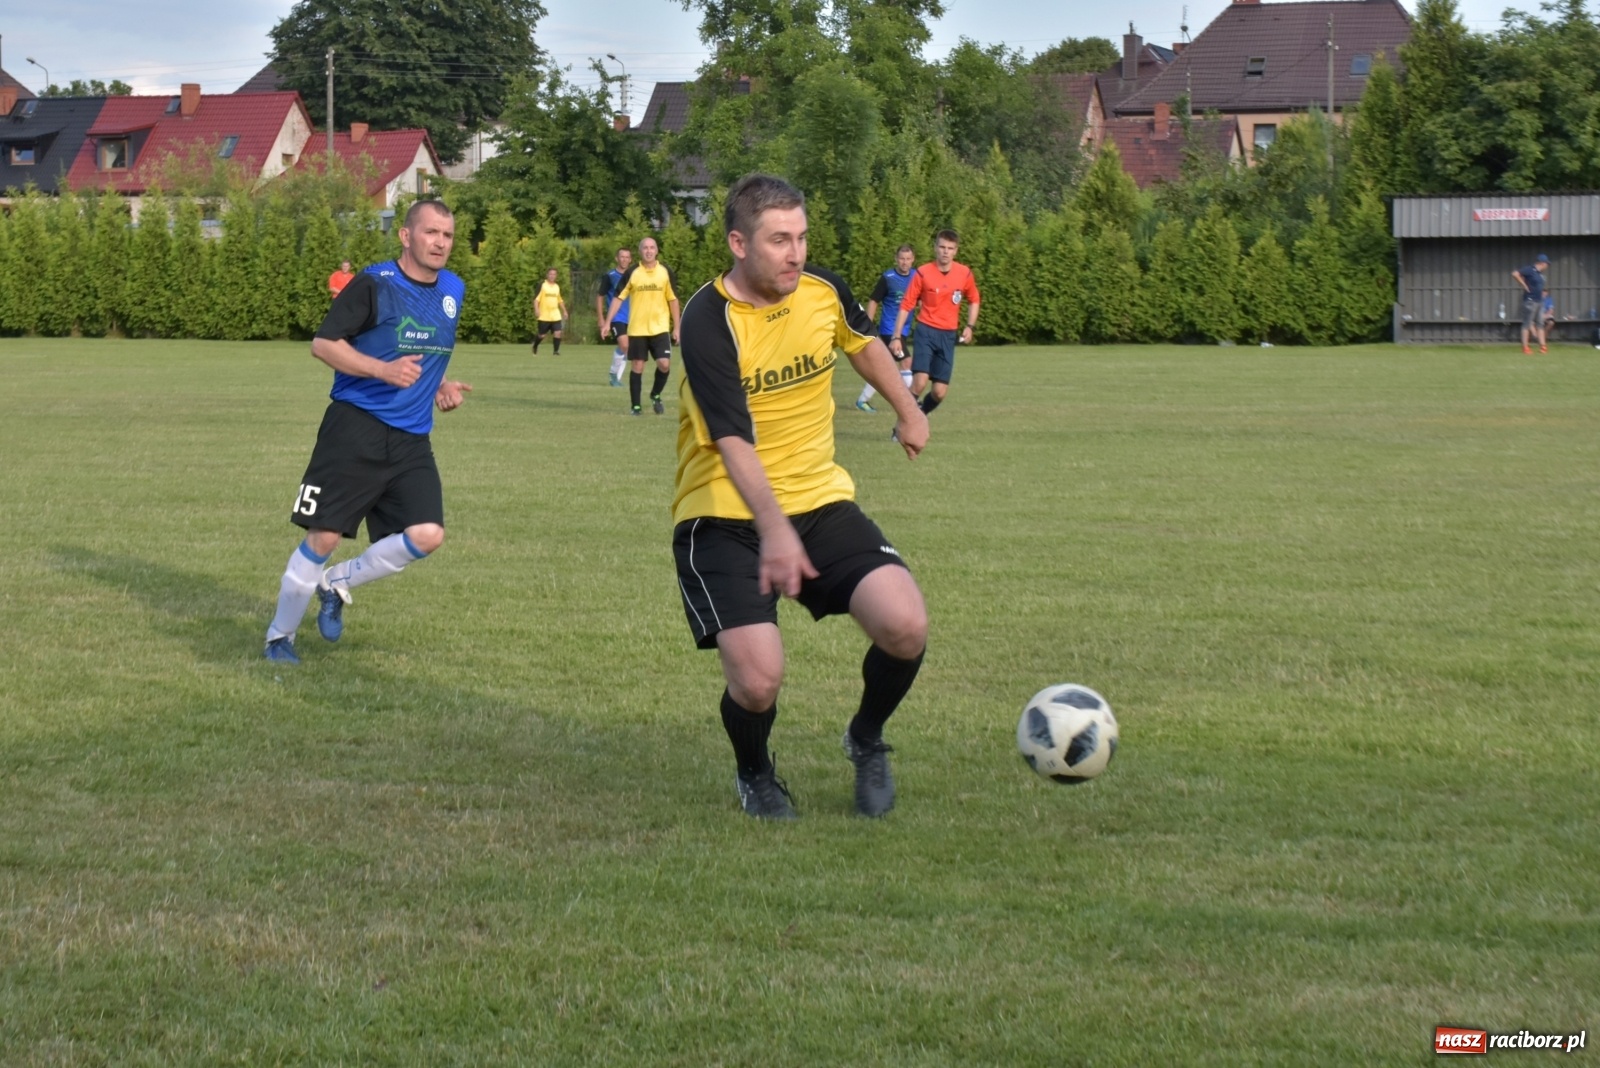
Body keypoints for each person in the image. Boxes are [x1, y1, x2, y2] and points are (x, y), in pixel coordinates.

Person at [673, 173, 931, 820]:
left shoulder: (822, 289)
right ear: (738, 242)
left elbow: (862, 343)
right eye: (779, 240)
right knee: (758, 682)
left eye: (802, 237)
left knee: (905, 625)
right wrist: (775, 530)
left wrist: (907, 407)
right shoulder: (708, 321)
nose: (796, 253)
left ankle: (866, 739)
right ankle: (755, 771)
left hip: (818, 499)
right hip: (725, 513)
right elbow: (732, 441)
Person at [263, 200, 472, 664]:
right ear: (406, 236)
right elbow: (323, 344)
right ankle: (279, 637)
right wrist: (381, 370)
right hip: (354, 429)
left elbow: (424, 351)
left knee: (427, 534)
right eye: (431, 232)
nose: (440, 242)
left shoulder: (453, 288)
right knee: (324, 538)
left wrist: (441, 385)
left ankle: (337, 583)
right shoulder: (375, 284)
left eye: (448, 235)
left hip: (412, 438)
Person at [891, 230, 981, 417]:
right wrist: (896, 336)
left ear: (956, 251)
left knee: (939, 392)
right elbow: (906, 304)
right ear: (935, 248)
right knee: (920, 382)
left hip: (948, 335)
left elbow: (974, 300)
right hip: (926, 331)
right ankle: (904, 422)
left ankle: (920, 416)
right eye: (942, 247)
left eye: (950, 248)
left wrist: (970, 326)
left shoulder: (964, 274)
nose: (945, 252)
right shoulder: (923, 273)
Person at [601, 236, 680, 415]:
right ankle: (635, 407)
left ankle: (655, 394)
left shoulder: (665, 271)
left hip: (660, 328)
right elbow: (618, 297)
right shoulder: (632, 272)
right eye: (645, 248)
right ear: (640, 251)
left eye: (652, 247)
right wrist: (607, 322)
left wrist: (677, 327)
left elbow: (673, 299)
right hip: (637, 329)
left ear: (657, 250)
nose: (649, 251)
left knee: (664, 364)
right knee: (637, 366)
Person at [854, 244, 917, 413]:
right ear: (896, 259)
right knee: (906, 362)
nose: (905, 262)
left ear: (913, 260)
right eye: (902, 259)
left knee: (883, 368)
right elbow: (874, 300)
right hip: (890, 330)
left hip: (904, 329)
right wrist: (867, 323)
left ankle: (862, 400)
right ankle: (912, 404)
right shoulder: (888, 277)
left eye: (908, 259)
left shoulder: (917, 276)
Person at [596, 246, 633, 387]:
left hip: (633, 317)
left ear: (630, 260)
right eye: (621, 256)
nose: (624, 259)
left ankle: (616, 378)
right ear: (617, 258)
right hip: (617, 317)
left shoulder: (634, 275)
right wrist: (601, 318)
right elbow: (600, 297)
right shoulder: (610, 276)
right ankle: (613, 375)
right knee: (624, 345)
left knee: (628, 349)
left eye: (627, 257)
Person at [1512, 253, 1549, 355]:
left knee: (1540, 323)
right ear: (1542, 263)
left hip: (1539, 300)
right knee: (1527, 324)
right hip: (1530, 300)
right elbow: (1515, 274)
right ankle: (1525, 347)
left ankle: (1543, 346)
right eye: (1546, 264)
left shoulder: (1540, 274)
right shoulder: (1530, 269)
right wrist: (1523, 284)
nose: (1547, 266)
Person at [532, 267, 567, 355]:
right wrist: (536, 309)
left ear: (556, 276)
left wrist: (564, 311)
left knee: (558, 332)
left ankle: (556, 351)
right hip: (544, 315)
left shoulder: (557, 287)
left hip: (555, 315)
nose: (552, 276)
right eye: (550, 274)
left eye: (554, 274)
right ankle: (535, 345)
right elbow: (536, 299)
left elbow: (560, 300)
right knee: (541, 335)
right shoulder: (542, 285)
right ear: (547, 275)